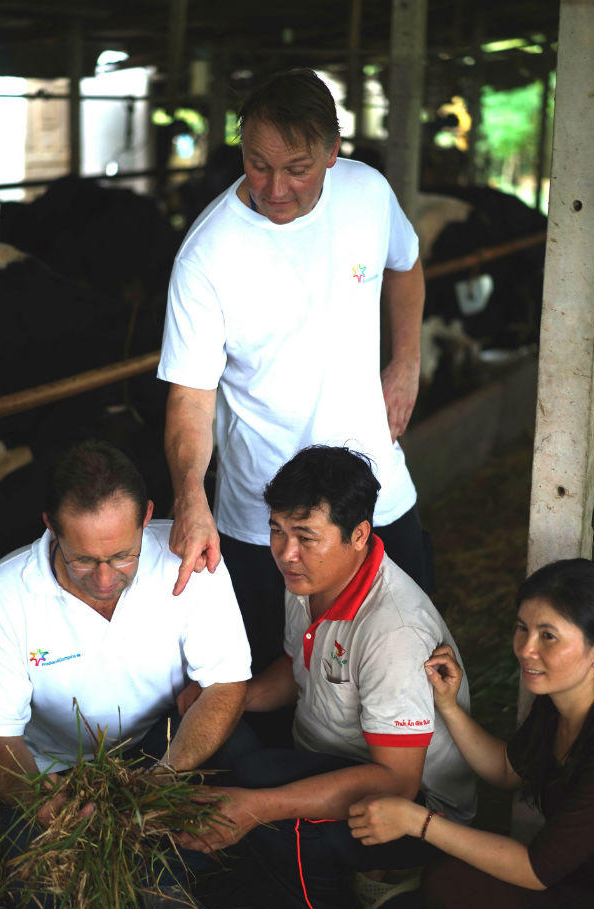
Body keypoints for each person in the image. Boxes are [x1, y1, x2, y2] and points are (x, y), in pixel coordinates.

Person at [175, 446, 476, 909]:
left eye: (306, 536)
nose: (286, 553)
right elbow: (294, 669)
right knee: (224, 738)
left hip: (417, 810)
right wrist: (224, 702)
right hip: (336, 761)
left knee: (266, 810)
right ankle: (353, 873)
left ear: (358, 535)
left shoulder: (394, 632)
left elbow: (397, 783)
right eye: (276, 531)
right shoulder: (313, 581)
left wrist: (256, 807)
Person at [158, 68, 428, 678]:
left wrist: (406, 362)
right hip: (268, 520)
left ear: (334, 153)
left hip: (377, 489)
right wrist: (190, 495)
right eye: (257, 164)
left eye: (297, 168)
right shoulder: (208, 253)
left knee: (408, 660)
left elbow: (405, 265)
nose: (275, 188)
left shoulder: (367, 192)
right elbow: (190, 400)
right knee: (281, 682)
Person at [0, 440, 253, 909]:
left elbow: (227, 684)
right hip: (53, 771)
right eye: (83, 560)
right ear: (50, 526)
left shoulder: (189, 561)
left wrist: (162, 780)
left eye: (123, 556)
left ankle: (165, 883)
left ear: (147, 518)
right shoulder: (1, 597)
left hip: (159, 748)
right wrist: (38, 801)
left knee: (236, 769)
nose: (104, 579)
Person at [348, 558, 594, 909]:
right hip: (580, 890)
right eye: (522, 628)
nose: (526, 649)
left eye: (548, 636)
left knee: (449, 886)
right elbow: (507, 770)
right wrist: (449, 706)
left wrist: (417, 821)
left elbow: (536, 870)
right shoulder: (561, 699)